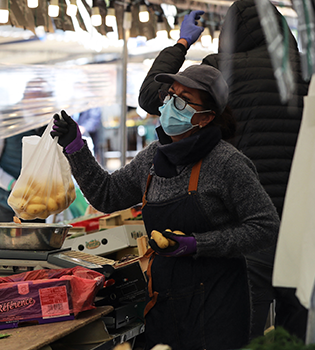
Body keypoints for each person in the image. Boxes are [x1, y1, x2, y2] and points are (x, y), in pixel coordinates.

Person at [51, 64, 280, 349]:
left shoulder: (227, 163)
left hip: (217, 305)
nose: (171, 104)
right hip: (163, 300)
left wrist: (198, 244)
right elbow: (106, 195)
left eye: (183, 99)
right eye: (171, 95)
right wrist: (76, 148)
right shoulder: (153, 157)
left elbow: (265, 227)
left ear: (206, 117)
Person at [138, 0, 310, 340]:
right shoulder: (307, 70)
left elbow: (149, 98)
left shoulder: (221, 71)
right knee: (297, 337)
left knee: (243, 333)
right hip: (305, 231)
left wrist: (182, 43)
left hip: (245, 231)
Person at [0, 78, 51, 222]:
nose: (45, 102)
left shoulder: (49, 120)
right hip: (7, 202)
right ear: (27, 96)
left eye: (47, 97)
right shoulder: (4, 118)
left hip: (39, 203)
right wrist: (12, 184)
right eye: (41, 97)